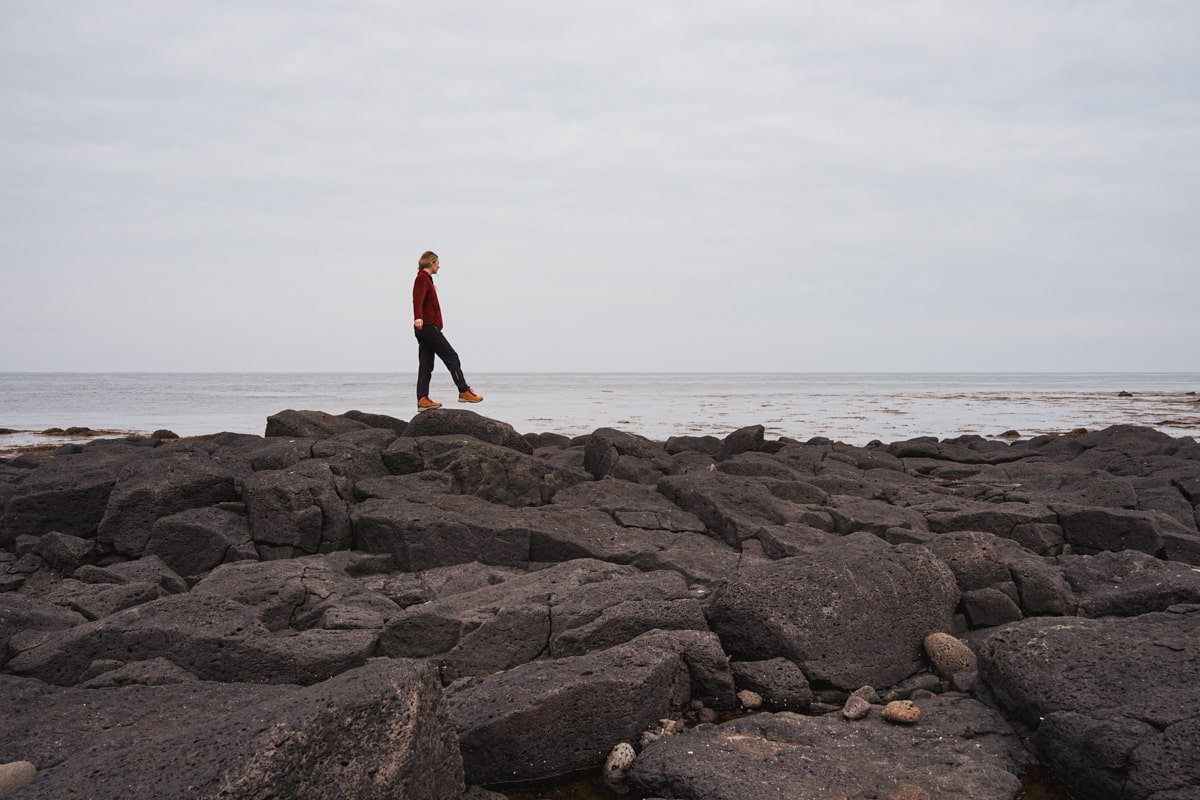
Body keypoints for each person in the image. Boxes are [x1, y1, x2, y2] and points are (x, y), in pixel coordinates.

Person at [412, 250, 482, 411]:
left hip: (426, 327)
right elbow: (417, 299)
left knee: (426, 364)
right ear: (431, 263)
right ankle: (464, 391)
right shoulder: (422, 279)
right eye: (437, 263)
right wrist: (418, 317)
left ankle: (422, 399)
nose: (439, 266)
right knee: (451, 356)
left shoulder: (426, 280)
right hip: (427, 327)